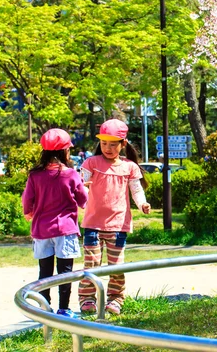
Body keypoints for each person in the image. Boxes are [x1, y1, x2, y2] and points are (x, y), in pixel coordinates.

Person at [78, 119, 151, 315]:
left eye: (113, 144)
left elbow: (136, 190)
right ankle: (86, 299)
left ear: (123, 144)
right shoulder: (91, 163)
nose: (108, 148)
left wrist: (142, 204)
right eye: (104, 143)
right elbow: (80, 184)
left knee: (116, 266)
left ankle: (116, 299)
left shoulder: (129, 167)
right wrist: (81, 188)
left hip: (118, 225)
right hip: (93, 223)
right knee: (91, 264)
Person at [22, 128, 89, 318]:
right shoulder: (71, 174)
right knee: (65, 272)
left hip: (42, 230)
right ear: (64, 152)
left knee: (45, 272)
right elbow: (83, 198)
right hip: (65, 230)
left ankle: (44, 307)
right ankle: (64, 309)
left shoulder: (35, 175)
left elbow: (28, 200)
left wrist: (28, 213)